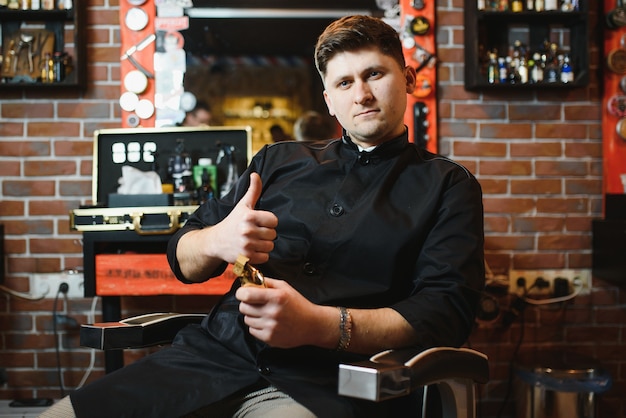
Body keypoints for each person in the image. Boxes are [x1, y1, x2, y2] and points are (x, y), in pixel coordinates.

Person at [40, 15, 484, 418]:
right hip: (208, 361)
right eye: (345, 83)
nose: (362, 94)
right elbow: (182, 254)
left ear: (406, 78)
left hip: (333, 381)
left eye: (374, 74)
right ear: (329, 100)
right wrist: (217, 240)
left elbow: (445, 313)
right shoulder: (277, 162)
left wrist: (321, 325)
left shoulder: (448, 186)